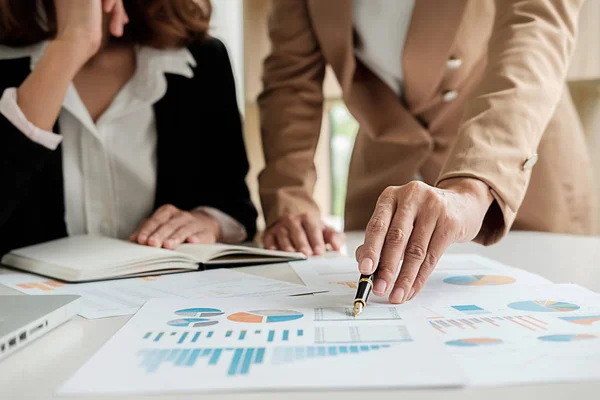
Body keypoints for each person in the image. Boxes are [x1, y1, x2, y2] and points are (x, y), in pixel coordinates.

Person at [258, 0, 596, 303]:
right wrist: (291, 197)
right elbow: (291, 81)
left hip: (511, 157)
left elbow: (536, 28)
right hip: (385, 175)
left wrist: (473, 184)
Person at [0, 0, 257, 257]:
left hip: (165, 292)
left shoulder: (202, 57)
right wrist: (73, 43)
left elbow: (236, 207)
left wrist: (206, 220)